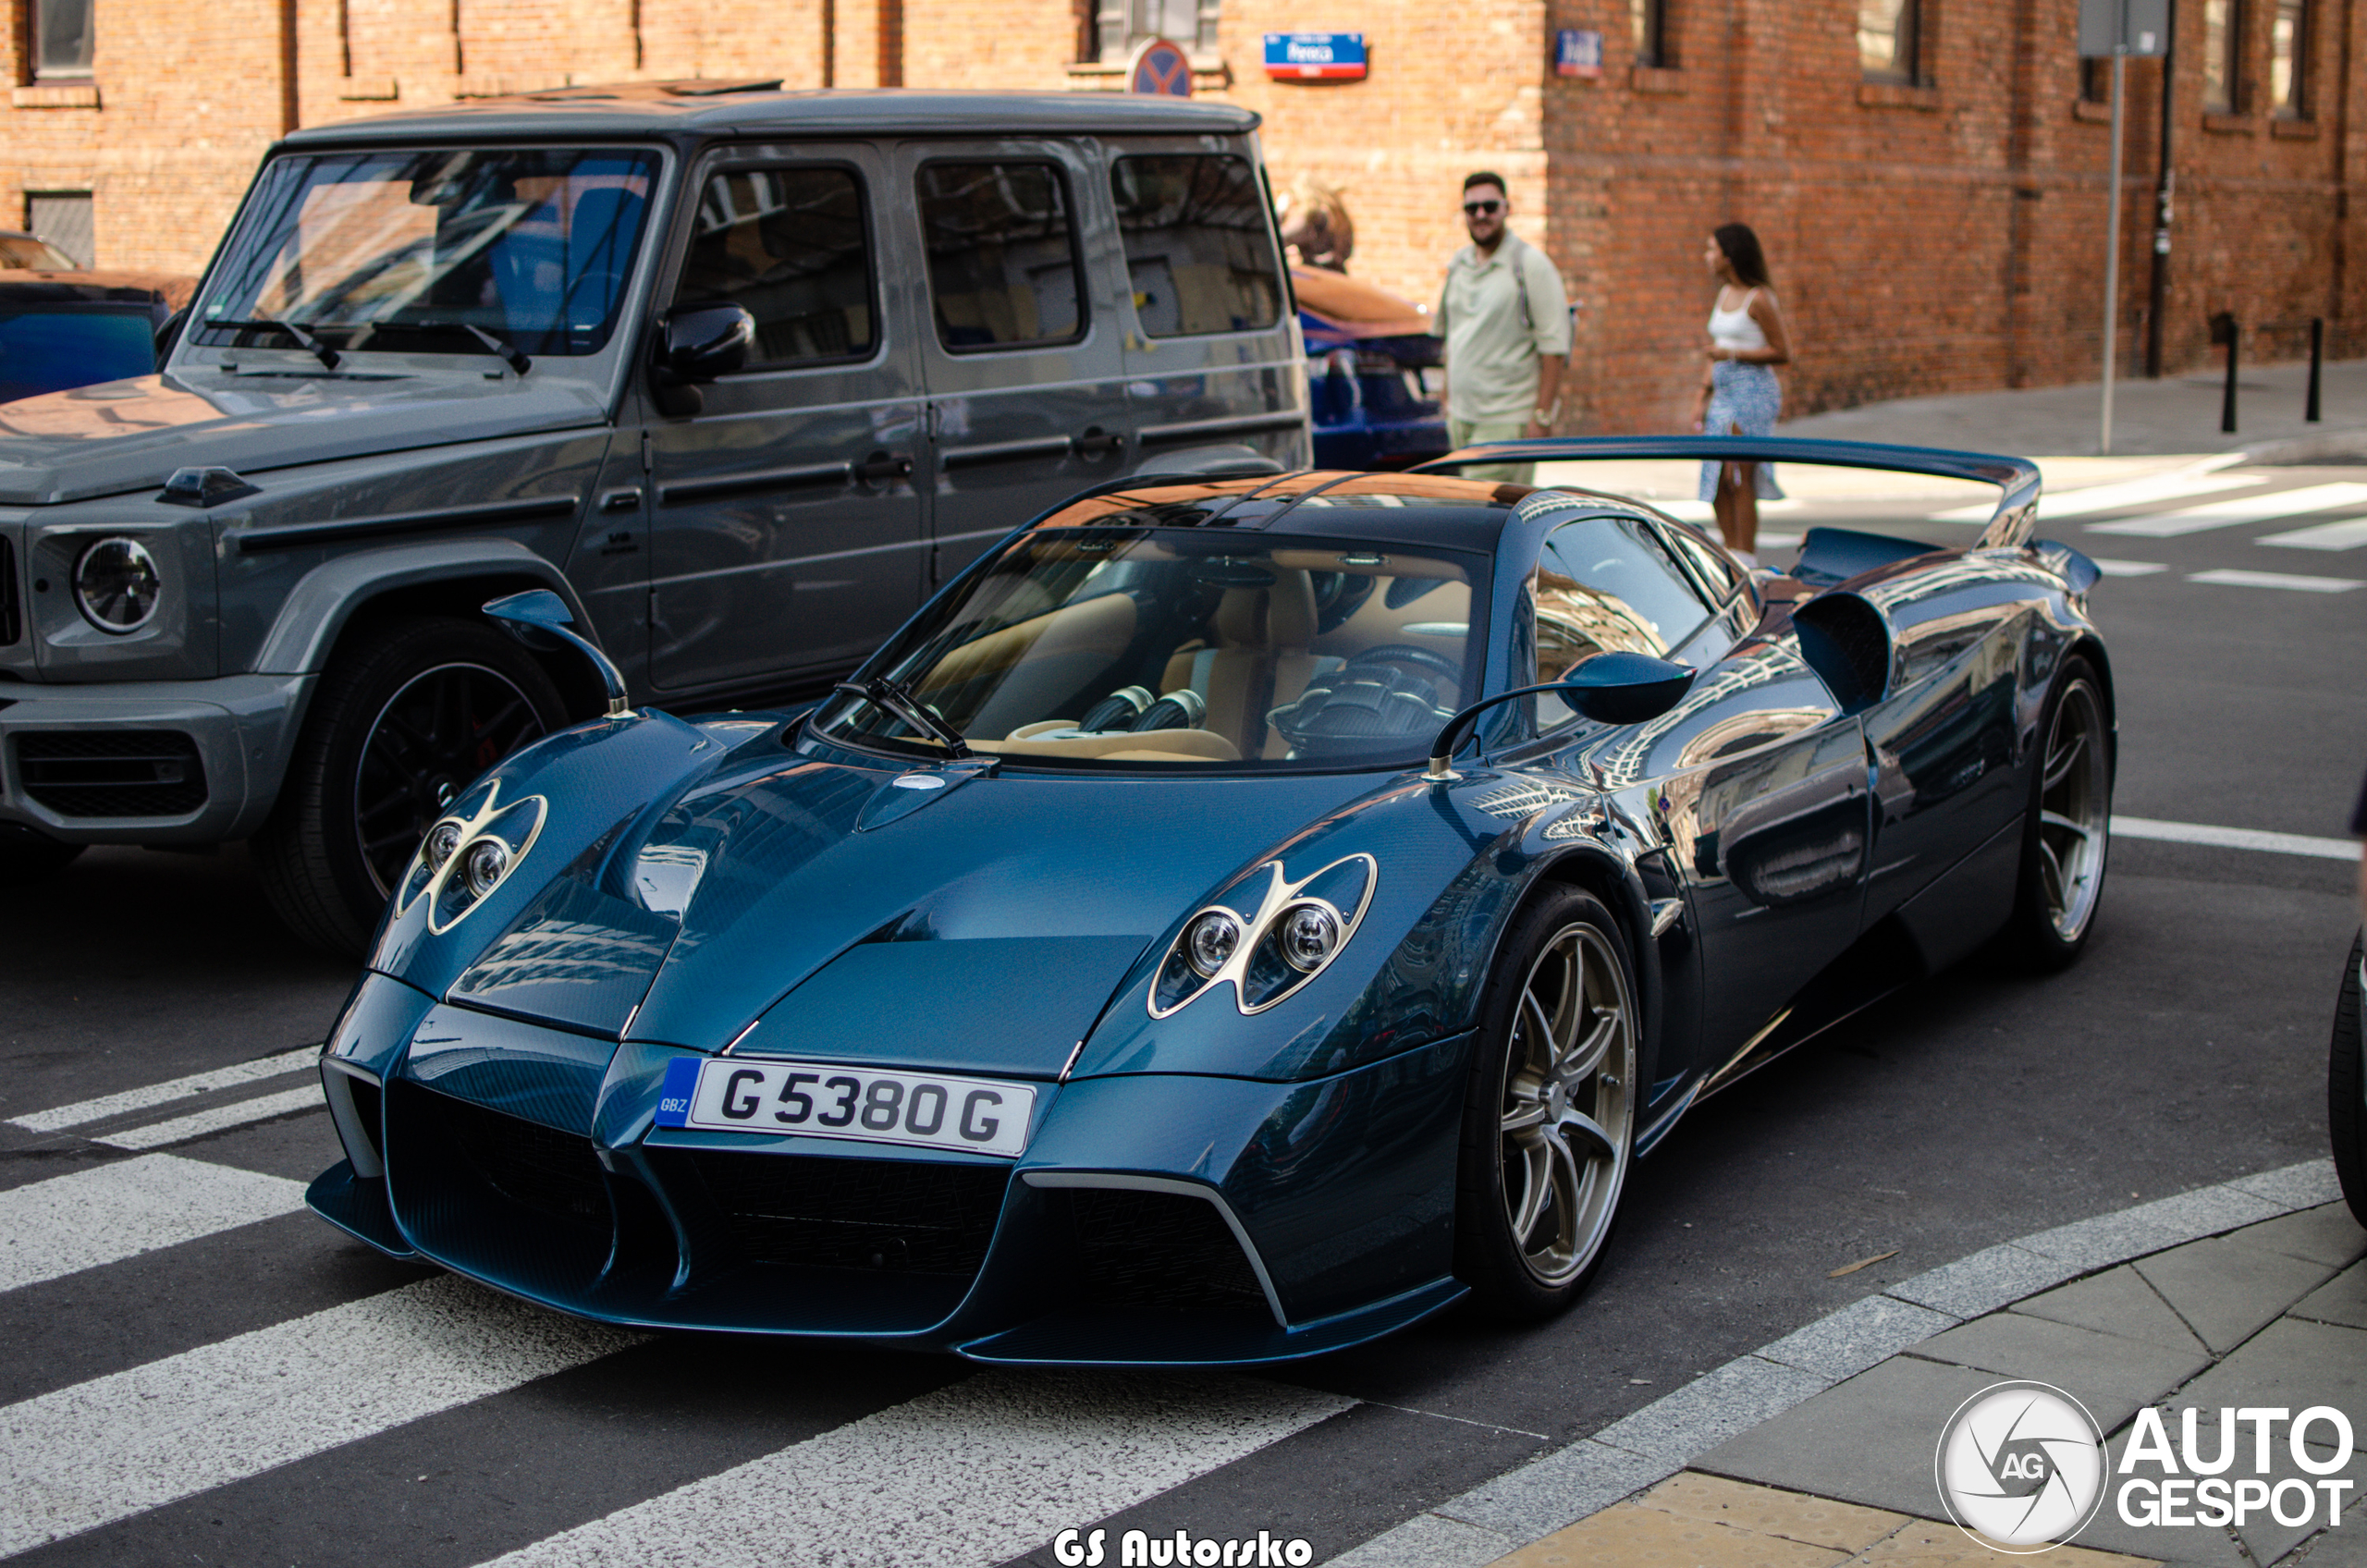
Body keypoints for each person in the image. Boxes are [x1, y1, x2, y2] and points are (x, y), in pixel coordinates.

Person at [1434, 171, 1571, 484]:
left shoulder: (1529, 265)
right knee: (1472, 514)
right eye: (1472, 208)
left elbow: (1554, 348)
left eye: (1490, 206)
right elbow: (1452, 335)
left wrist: (1542, 416)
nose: (1481, 215)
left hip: (1507, 421)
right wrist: (1446, 398)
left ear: (1507, 208)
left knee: (1482, 514)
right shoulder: (1459, 265)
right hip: (1461, 419)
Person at [1690, 223, 1792, 567]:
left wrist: (1733, 355)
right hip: (1723, 392)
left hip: (1752, 394)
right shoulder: (1723, 295)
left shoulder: (1759, 299)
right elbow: (1715, 350)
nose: (1707, 257)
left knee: (1740, 475)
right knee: (1716, 474)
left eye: (1711, 250)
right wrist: (1700, 398)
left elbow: (1782, 352)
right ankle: (1730, 551)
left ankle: (1746, 556)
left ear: (1729, 256)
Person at [1278, 176, 1354, 273]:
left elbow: (1278, 238)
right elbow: (1346, 252)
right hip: (1337, 274)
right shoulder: (1337, 214)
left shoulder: (1313, 215)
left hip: (1315, 275)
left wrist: (1280, 211)